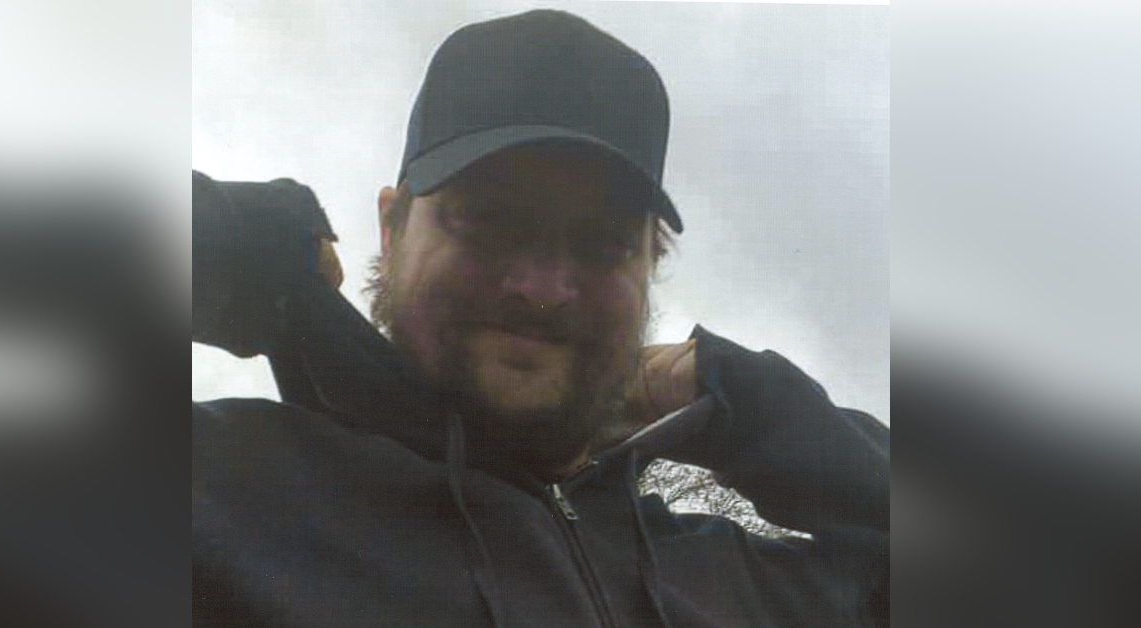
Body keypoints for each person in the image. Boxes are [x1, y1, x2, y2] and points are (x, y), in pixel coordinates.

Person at [192, 9, 888, 628]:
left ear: (649, 271)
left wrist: (743, 400)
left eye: (603, 244)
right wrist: (248, 250)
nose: (543, 289)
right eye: (488, 221)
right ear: (391, 230)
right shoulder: (225, 499)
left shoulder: (731, 585)